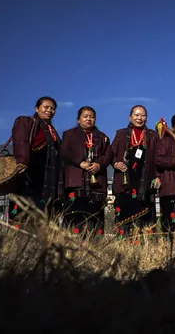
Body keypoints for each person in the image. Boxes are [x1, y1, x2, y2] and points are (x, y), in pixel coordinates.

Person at [9, 96, 62, 227]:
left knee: (42, 210)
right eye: (46, 107)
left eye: (52, 108)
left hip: (47, 176)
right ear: (37, 108)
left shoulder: (53, 131)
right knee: (23, 205)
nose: (49, 110)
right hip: (28, 172)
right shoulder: (26, 121)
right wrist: (22, 160)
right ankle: (16, 241)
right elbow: (21, 141)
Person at [60, 106, 113, 238]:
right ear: (78, 119)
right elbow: (64, 153)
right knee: (75, 217)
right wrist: (80, 162)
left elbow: (109, 155)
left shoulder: (102, 137)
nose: (89, 119)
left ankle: (95, 248)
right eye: (85, 116)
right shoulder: (69, 134)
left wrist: (99, 165)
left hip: (96, 186)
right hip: (76, 182)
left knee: (95, 219)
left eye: (91, 116)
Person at [111, 105, 161, 239]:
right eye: (136, 115)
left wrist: (157, 176)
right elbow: (111, 153)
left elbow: (158, 158)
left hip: (144, 182)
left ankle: (146, 250)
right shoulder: (120, 134)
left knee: (145, 220)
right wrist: (115, 162)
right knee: (124, 218)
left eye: (143, 115)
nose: (140, 118)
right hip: (125, 181)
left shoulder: (153, 136)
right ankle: (124, 249)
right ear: (130, 117)